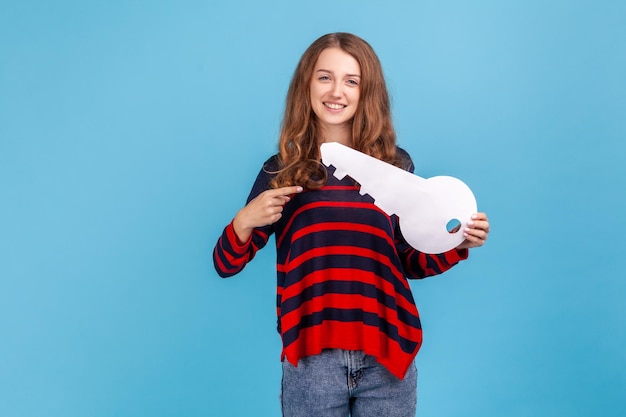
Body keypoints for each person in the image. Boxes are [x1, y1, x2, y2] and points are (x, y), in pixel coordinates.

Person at [213, 32, 490, 417]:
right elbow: (226, 264)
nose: (336, 91)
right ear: (306, 85)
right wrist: (242, 222)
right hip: (311, 357)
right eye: (324, 77)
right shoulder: (281, 171)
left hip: (388, 351)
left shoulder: (396, 166)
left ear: (366, 91)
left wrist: (457, 243)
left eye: (351, 80)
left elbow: (408, 261)